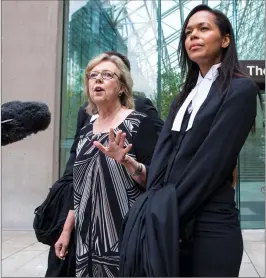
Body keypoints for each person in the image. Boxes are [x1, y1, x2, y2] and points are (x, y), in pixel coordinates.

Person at [105, 4, 259, 277]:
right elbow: (167, 166)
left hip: (208, 228)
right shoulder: (183, 97)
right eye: (188, 32)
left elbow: (210, 166)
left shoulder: (240, 89)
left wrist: (159, 215)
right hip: (173, 225)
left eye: (203, 29)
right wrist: (136, 168)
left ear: (225, 40)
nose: (193, 36)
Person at [45, 52, 163, 277]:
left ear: (121, 87)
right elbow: (79, 187)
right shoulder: (87, 128)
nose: (97, 80)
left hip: (125, 236)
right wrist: (67, 230)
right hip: (85, 240)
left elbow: (156, 181)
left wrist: (127, 161)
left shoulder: (139, 124)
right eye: (93, 75)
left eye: (107, 75)